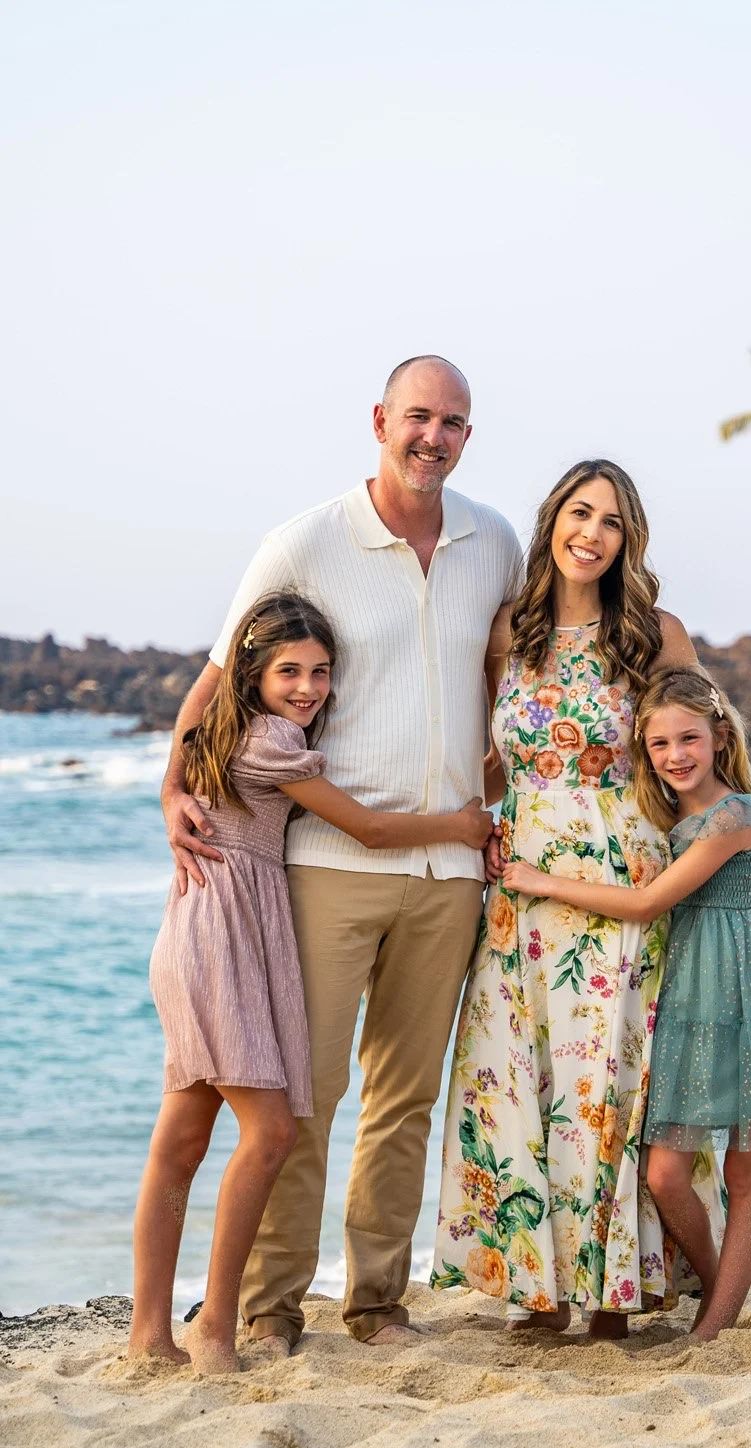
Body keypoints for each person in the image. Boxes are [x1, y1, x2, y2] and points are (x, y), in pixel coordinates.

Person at [159, 357, 523, 1349]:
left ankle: (375, 1302)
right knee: (306, 1098)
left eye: (452, 423)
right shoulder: (306, 539)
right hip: (326, 866)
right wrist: (171, 787)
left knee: (405, 1101)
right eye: (418, 417)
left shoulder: (495, 541)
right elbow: (216, 677)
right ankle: (272, 1308)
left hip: (451, 873)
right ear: (379, 420)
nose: (432, 437)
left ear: (466, 436)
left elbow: (528, 664)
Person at [432, 459, 751, 1338]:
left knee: (612, 1086)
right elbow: (498, 757)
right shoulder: (506, 632)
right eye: (578, 513)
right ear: (552, 519)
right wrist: (447, 815)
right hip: (521, 889)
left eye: (610, 522)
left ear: (628, 540)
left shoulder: (653, 632)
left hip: (626, 881)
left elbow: (717, 758)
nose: (590, 534)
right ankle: (542, 1284)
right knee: (518, 1079)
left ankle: (616, 1290)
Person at [130, 592, 494, 1372]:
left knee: (184, 1137)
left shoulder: (248, 734)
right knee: (269, 1133)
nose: (308, 686)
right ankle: (219, 1329)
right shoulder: (266, 742)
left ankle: (150, 1334)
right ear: (252, 673)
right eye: (288, 670)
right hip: (219, 939)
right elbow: (366, 827)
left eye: (321, 671)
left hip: (210, 933)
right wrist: (462, 825)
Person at [503, 667, 751, 1342]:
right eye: (659, 745)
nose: (675, 756)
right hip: (690, 1003)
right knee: (666, 1173)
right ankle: (720, 1291)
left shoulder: (733, 817)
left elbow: (647, 902)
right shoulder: (672, 814)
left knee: (744, 1174)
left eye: (688, 738)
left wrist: (538, 880)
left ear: (720, 737)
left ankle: (712, 1327)